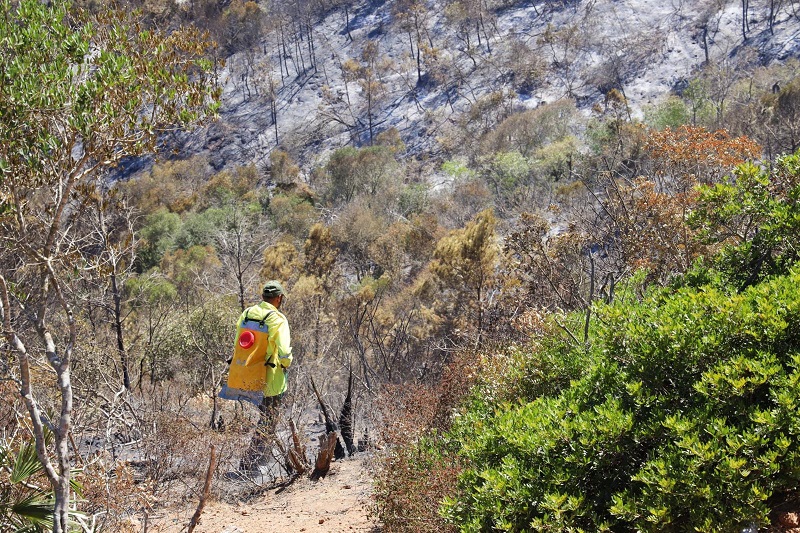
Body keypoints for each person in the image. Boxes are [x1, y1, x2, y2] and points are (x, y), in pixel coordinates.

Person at [239, 280, 292, 472]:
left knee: (266, 419)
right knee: (268, 421)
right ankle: (250, 464)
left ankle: (263, 460)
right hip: (271, 380)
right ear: (279, 298)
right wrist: (286, 363)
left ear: (263, 297)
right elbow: (284, 352)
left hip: (249, 375)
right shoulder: (278, 319)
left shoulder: (247, 313)